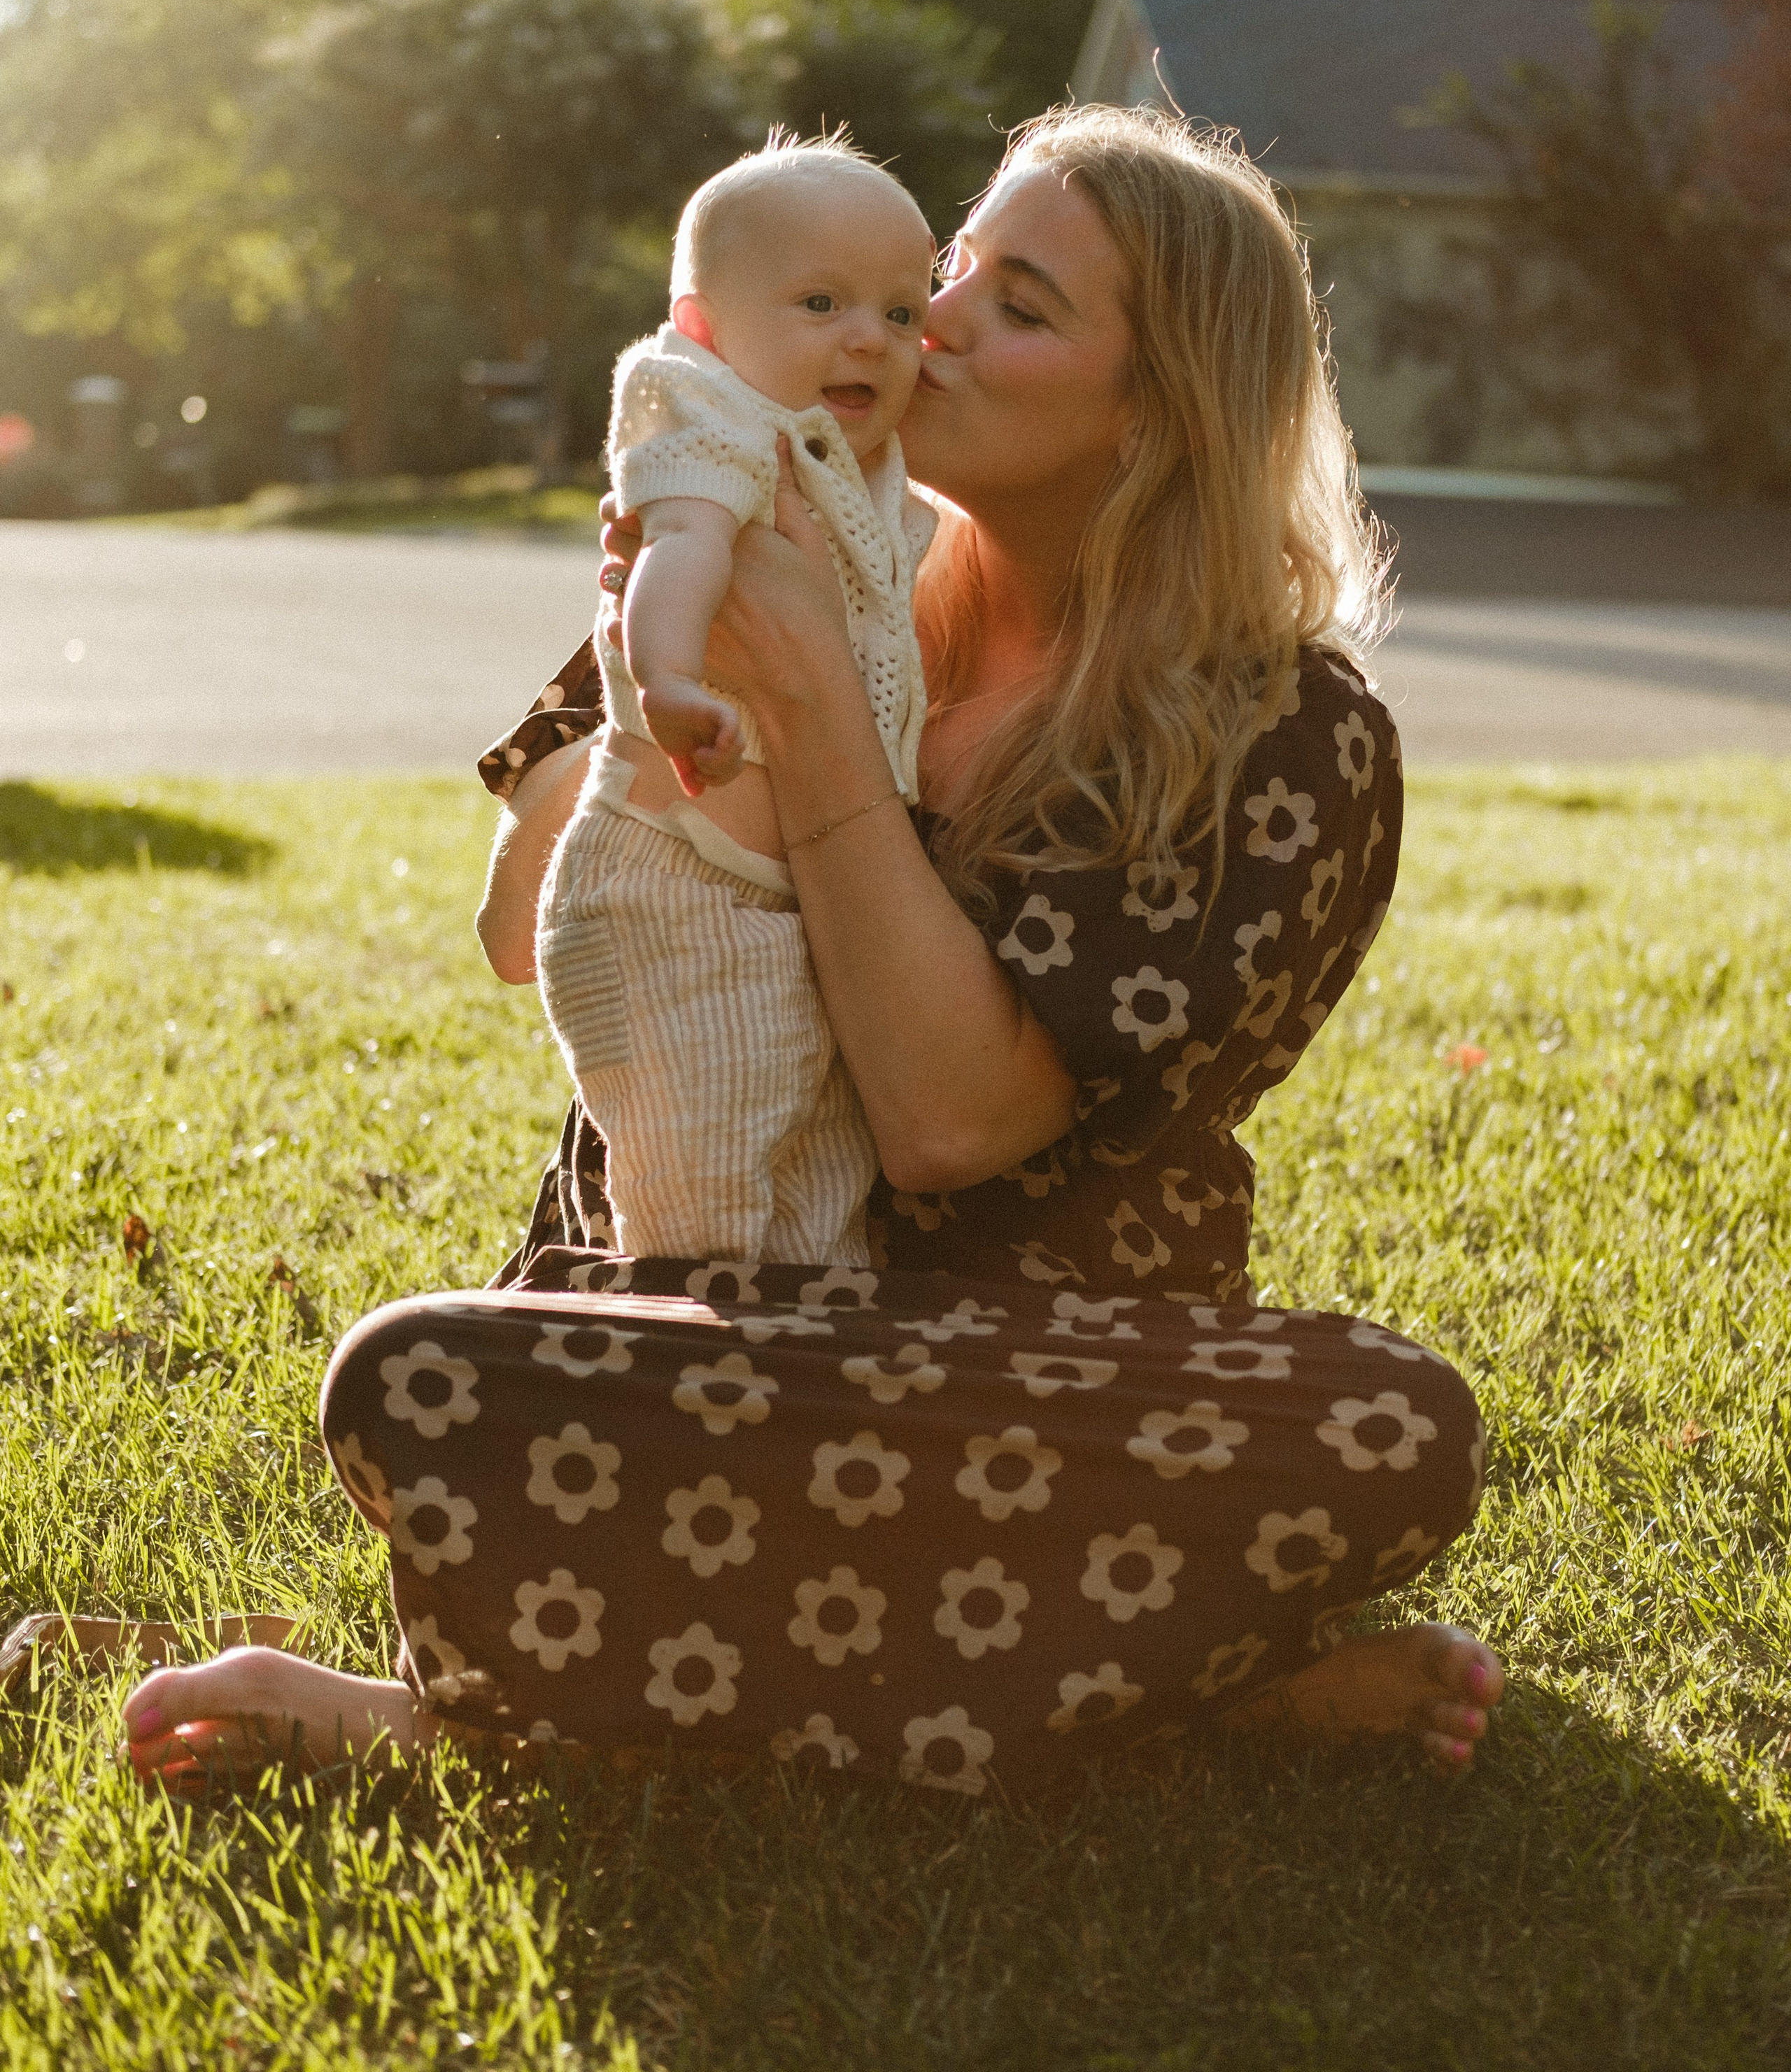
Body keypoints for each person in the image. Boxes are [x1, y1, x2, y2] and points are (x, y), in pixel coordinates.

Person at [123, 105, 1503, 1801]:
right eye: (948, 273)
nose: (927, 329)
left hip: (999, 1400)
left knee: (1390, 1425)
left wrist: (826, 738)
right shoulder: (775, 534)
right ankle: (1166, 1692)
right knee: (420, 1378)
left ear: (1157, 407)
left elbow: (949, 1127)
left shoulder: (1283, 739)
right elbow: (512, 935)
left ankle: (511, 1698)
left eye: (1021, 307)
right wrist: (659, 659)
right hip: (687, 1328)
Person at [537, 131, 936, 1268]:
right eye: (820, 301)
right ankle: (672, 1380)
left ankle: (799, 1392)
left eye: (902, 313)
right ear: (705, 325)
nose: (870, 336)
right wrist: (662, 678)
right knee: (701, 1200)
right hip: (673, 890)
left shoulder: (853, 459)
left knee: (817, 1195)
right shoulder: (708, 416)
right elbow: (680, 549)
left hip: (779, 905)